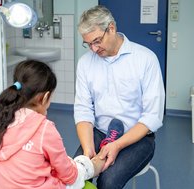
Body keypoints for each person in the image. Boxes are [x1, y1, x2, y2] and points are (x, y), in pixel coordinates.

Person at [0, 59, 106, 189]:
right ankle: (94, 165)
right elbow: (68, 175)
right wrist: (84, 168)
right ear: (45, 97)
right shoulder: (44, 129)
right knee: (77, 171)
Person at [74, 5, 165, 189]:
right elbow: (83, 109)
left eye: (97, 41)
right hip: (99, 133)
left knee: (108, 181)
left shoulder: (145, 59)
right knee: (75, 176)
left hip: (137, 137)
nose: (93, 49)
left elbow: (152, 116)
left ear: (112, 28)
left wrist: (117, 145)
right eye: (88, 43)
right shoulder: (85, 63)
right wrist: (88, 149)